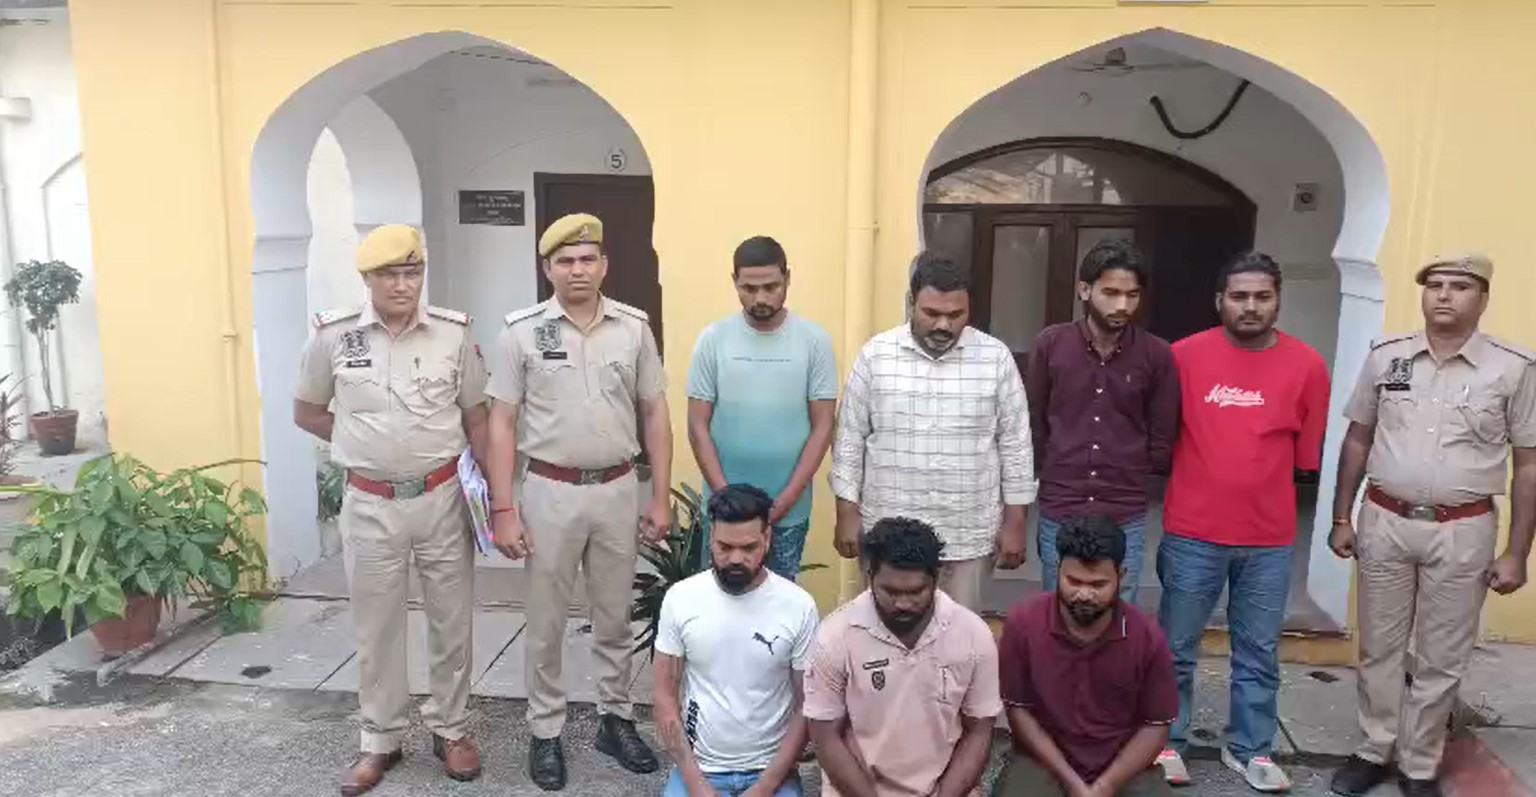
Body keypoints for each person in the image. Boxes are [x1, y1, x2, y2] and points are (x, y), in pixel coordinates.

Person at [1326, 253, 1535, 797]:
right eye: (1434, 284)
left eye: (1459, 286)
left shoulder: (1513, 369)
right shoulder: (1387, 357)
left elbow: (1529, 465)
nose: (1443, 294)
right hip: (1385, 521)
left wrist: (1517, 551)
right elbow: (1357, 439)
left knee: (1442, 655)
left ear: (1483, 298)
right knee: (1379, 646)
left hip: (1463, 530)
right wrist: (1341, 516)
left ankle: (1419, 763)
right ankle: (1374, 748)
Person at [293, 224, 489, 795]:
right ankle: (380, 738)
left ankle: (451, 729)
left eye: (412, 272)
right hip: (371, 503)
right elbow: (307, 411)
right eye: (389, 274)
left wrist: (498, 499)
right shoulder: (333, 337)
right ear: (368, 279)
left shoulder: (454, 334)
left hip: (442, 498)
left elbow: (476, 417)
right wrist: (361, 445)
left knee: (452, 619)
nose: (403, 284)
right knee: (376, 626)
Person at [484, 213, 672, 790]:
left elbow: (655, 411)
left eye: (588, 259)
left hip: (617, 488)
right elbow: (501, 423)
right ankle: (545, 730)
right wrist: (503, 508)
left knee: (614, 614)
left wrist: (661, 496)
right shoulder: (521, 333)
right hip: (550, 491)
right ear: (548, 269)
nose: (578, 270)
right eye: (565, 261)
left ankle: (615, 719)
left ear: (604, 265)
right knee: (545, 620)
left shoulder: (633, 329)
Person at [1154, 251, 1330, 792]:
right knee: (1175, 649)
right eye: (1239, 296)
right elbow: (1162, 435)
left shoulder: (1307, 366)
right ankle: (1167, 741)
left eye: (1262, 296)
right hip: (1192, 533)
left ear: (1277, 300)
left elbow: (1307, 458)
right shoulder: (1182, 357)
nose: (1250, 306)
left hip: (1268, 539)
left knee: (1258, 652)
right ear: (1219, 301)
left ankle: (1251, 748)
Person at [830, 251, 1036, 610]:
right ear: (911, 303)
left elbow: (1016, 444)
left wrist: (1015, 521)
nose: (944, 325)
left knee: (958, 635)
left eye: (956, 315)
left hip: (967, 533)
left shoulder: (995, 358)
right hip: (887, 533)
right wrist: (846, 513)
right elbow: (849, 438)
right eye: (932, 313)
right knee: (886, 633)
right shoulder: (876, 356)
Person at [1025, 239, 1179, 604]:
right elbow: (1034, 420)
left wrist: (1133, 472)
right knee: (1058, 604)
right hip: (1061, 504)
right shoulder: (1052, 344)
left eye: (1132, 295)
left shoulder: (1156, 354)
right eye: (1111, 293)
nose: (1122, 305)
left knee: (1119, 607)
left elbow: (1162, 433)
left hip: (1124, 509)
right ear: (1084, 290)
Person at [804, 516, 1002, 797]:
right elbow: (825, 736)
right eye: (890, 591)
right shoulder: (835, 635)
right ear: (869, 576)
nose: (903, 604)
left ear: (937, 578)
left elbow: (979, 730)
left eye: (916, 592)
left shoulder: (973, 634)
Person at [652, 483, 820, 797]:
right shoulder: (681, 599)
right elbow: (664, 697)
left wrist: (766, 785)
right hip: (701, 769)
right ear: (711, 538)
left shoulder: (798, 606)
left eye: (749, 548)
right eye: (724, 547)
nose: (735, 558)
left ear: (767, 538)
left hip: (771, 772)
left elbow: (807, 704)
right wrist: (695, 783)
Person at [687, 236, 838, 579]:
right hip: (724, 512)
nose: (760, 298)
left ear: (788, 278)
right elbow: (697, 426)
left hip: (788, 511)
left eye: (771, 287)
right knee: (720, 598)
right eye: (749, 288)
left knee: (778, 598)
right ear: (734, 282)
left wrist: (786, 500)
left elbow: (823, 426)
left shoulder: (814, 341)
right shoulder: (713, 340)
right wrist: (726, 499)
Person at [993, 515, 1177, 797]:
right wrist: (1073, 784)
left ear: (1121, 576)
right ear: (1057, 569)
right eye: (1073, 581)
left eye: (1098, 585)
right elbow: (1018, 711)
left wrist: (1105, 787)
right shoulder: (1024, 623)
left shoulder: (1147, 636)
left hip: (1121, 762)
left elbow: (1156, 726)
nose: (1084, 594)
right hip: (1043, 759)